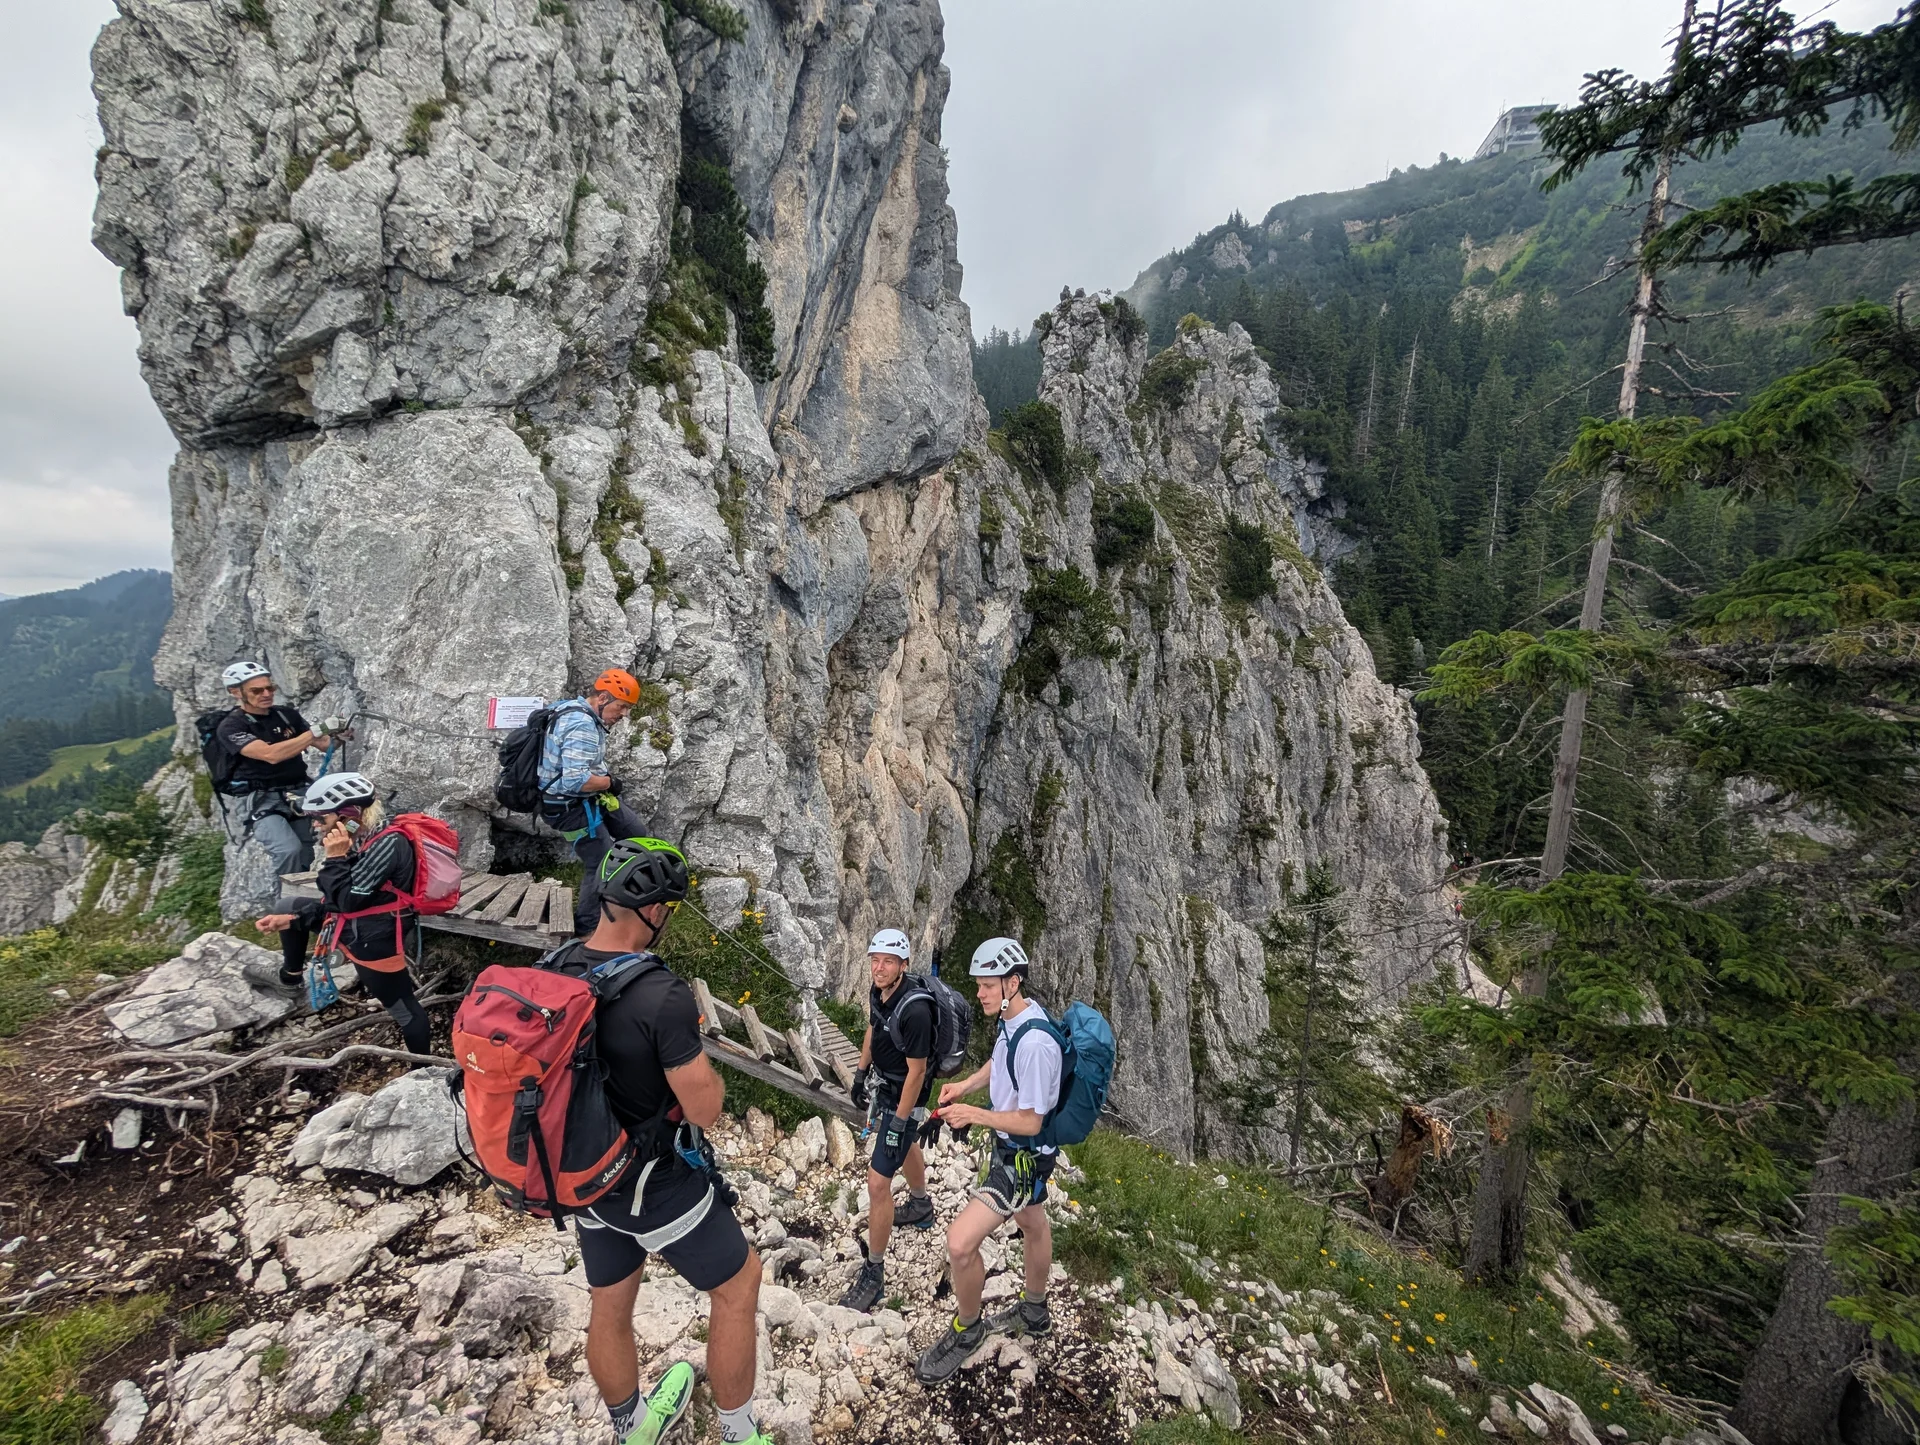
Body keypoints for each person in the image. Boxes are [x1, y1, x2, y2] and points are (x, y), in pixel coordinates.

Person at [539, 838, 774, 1445]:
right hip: (649, 1182)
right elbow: (706, 1107)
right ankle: (739, 1435)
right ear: (653, 911)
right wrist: (709, 1069)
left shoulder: (558, 964)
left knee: (610, 1301)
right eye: (668, 906)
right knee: (738, 1285)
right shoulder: (660, 994)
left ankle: (633, 1427)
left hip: (581, 1175)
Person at [915, 937, 1062, 1384]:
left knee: (960, 1244)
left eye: (987, 985)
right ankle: (1034, 1311)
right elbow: (998, 1066)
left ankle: (968, 1329)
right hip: (1012, 1150)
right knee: (1033, 1223)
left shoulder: (1035, 1043)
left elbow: (1033, 1121)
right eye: (979, 985)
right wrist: (964, 1088)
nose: (979, 993)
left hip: (1022, 1159)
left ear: (1012, 983)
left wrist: (973, 1115)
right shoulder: (1012, 1020)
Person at [246, 772, 434, 1058]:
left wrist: (335, 857)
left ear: (349, 814)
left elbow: (346, 901)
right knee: (288, 907)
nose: (315, 825)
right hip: (359, 919)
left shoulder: (387, 843)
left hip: (375, 936)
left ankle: (422, 1070)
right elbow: (338, 899)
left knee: (403, 1008)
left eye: (322, 818)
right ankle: (290, 979)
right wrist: (295, 920)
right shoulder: (361, 834)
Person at [838, 928, 939, 1312]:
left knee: (878, 1182)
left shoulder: (914, 1011)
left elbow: (917, 1072)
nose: (879, 969)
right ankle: (920, 1204)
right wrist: (861, 1073)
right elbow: (872, 1028)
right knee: (908, 1144)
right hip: (887, 1085)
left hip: (906, 1095)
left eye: (888, 962)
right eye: (875, 961)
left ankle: (874, 1272)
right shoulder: (880, 992)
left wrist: (898, 1123)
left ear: (903, 965)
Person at [539, 668, 657, 934]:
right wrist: (609, 783)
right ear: (603, 698)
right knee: (600, 860)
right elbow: (575, 781)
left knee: (635, 833)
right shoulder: (582, 725)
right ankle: (588, 929)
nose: (624, 715)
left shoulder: (572, 710)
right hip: (568, 807)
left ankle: (624, 894)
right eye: (622, 707)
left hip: (589, 798)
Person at [214, 661, 348, 884]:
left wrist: (340, 736)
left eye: (270, 688)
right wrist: (315, 731)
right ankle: (287, 906)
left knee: (307, 851)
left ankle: (308, 906)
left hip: (297, 790)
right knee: (288, 850)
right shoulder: (232, 727)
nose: (266, 694)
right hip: (261, 800)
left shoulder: (286, 716)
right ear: (235, 692)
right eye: (257, 691)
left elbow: (325, 745)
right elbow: (271, 754)